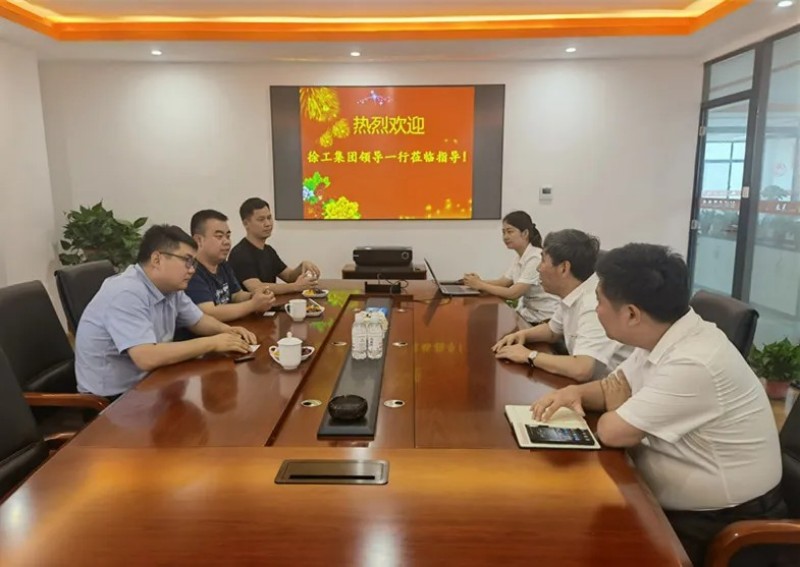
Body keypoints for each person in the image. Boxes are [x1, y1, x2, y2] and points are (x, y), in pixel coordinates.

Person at [531, 243, 785, 567]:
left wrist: (617, 405)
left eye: (599, 301)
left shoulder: (695, 361)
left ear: (631, 314)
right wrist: (575, 393)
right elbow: (613, 386)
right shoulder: (660, 334)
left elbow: (613, 431)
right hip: (664, 502)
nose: (596, 310)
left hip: (720, 526)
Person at [75, 224, 259, 399]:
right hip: (114, 398)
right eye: (187, 261)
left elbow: (198, 320)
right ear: (157, 259)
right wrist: (212, 343)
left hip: (151, 381)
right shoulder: (126, 292)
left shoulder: (171, 288)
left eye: (194, 263)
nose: (192, 270)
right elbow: (146, 357)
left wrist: (227, 331)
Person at [492, 229, 631, 382]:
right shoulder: (575, 292)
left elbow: (582, 369)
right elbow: (552, 331)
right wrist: (522, 335)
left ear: (564, 268)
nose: (538, 268)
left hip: (615, 391)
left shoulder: (595, 304)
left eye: (543, 260)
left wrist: (529, 356)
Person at [463, 210, 558, 324]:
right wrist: (476, 282)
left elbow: (513, 293)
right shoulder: (520, 257)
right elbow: (503, 282)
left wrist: (481, 285)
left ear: (525, 233)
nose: (505, 237)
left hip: (545, 319)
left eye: (510, 232)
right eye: (503, 232)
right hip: (529, 315)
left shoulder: (536, 258)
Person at [186, 209, 276, 321]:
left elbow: (236, 295)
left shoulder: (223, 264)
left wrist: (255, 296)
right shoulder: (190, 271)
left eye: (228, 236)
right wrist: (253, 305)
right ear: (198, 240)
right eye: (219, 236)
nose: (227, 242)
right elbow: (209, 312)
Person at [228, 198, 320, 295]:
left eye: (269, 218)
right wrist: (295, 286)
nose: (268, 224)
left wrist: (301, 266)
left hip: (271, 303)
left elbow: (289, 276)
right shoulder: (240, 253)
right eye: (261, 220)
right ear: (246, 223)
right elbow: (256, 287)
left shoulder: (268, 250)